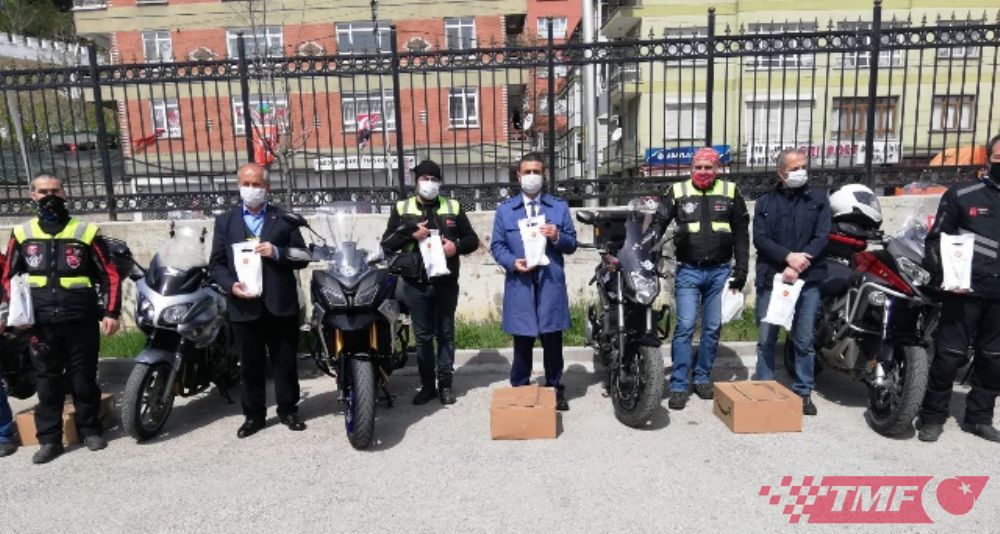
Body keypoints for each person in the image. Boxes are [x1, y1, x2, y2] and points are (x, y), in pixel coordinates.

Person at [1, 174, 122, 464]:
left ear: (64, 194)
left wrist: (111, 312)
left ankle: (90, 430)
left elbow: (109, 275)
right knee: (47, 383)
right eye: (43, 192)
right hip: (40, 323)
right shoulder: (22, 233)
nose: (50, 196)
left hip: (81, 318)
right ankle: (50, 440)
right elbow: (8, 277)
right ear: (32, 196)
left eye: (55, 191)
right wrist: (15, 313)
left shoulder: (85, 231)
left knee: (83, 379)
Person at [643, 146, 750, 410]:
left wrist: (742, 270)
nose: (703, 172)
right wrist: (645, 249)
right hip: (689, 270)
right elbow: (658, 224)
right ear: (691, 168)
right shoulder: (677, 191)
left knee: (712, 327)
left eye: (708, 167)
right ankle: (679, 384)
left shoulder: (730, 191)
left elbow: (741, 233)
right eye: (698, 167)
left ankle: (702, 377)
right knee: (686, 326)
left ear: (717, 169)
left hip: (720, 271)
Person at [209, 163, 310, 439]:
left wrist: (277, 252)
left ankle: (288, 410)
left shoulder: (284, 218)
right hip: (244, 305)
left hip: (279, 303)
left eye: (256, 185)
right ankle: (254, 415)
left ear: (267, 188)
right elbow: (216, 264)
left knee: (285, 362)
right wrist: (230, 286)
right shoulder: (225, 221)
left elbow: (302, 256)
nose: (251, 189)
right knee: (250, 365)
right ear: (239, 185)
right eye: (246, 184)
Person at [917, 134, 1000, 443]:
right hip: (963, 293)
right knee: (949, 357)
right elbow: (934, 242)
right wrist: (947, 277)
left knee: (993, 359)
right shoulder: (961, 195)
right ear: (987, 160)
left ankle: (980, 418)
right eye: (999, 158)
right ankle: (932, 417)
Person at [381, 160, 479, 405]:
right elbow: (387, 244)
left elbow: (472, 240)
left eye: (434, 179)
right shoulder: (402, 208)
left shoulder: (453, 206)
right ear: (416, 182)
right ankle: (427, 386)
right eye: (424, 178)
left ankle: (445, 384)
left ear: (440, 183)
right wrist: (409, 233)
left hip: (446, 283)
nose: (429, 183)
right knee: (423, 337)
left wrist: (455, 247)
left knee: (446, 334)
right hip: (415, 283)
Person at [490, 153, 576, 411]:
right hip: (521, 283)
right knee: (523, 340)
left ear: (544, 175)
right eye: (526, 172)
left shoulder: (558, 208)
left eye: (536, 172)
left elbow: (571, 244)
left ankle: (554, 388)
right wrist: (511, 262)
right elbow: (497, 245)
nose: (531, 177)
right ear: (518, 176)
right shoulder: (506, 210)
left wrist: (557, 235)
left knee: (552, 339)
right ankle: (520, 388)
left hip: (550, 282)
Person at [752, 148, 830, 416]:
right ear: (781, 172)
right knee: (766, 338)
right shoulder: (765, 202)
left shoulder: (818, 198)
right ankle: (764, 388)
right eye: (794, 168)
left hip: (808, 278)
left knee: (803, 339)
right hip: (772, 278)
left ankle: (803, 390)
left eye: (803, 167)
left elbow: (822, 236)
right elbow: (760, 239)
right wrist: (788, 258)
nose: (801, 172)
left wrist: (799, 263)